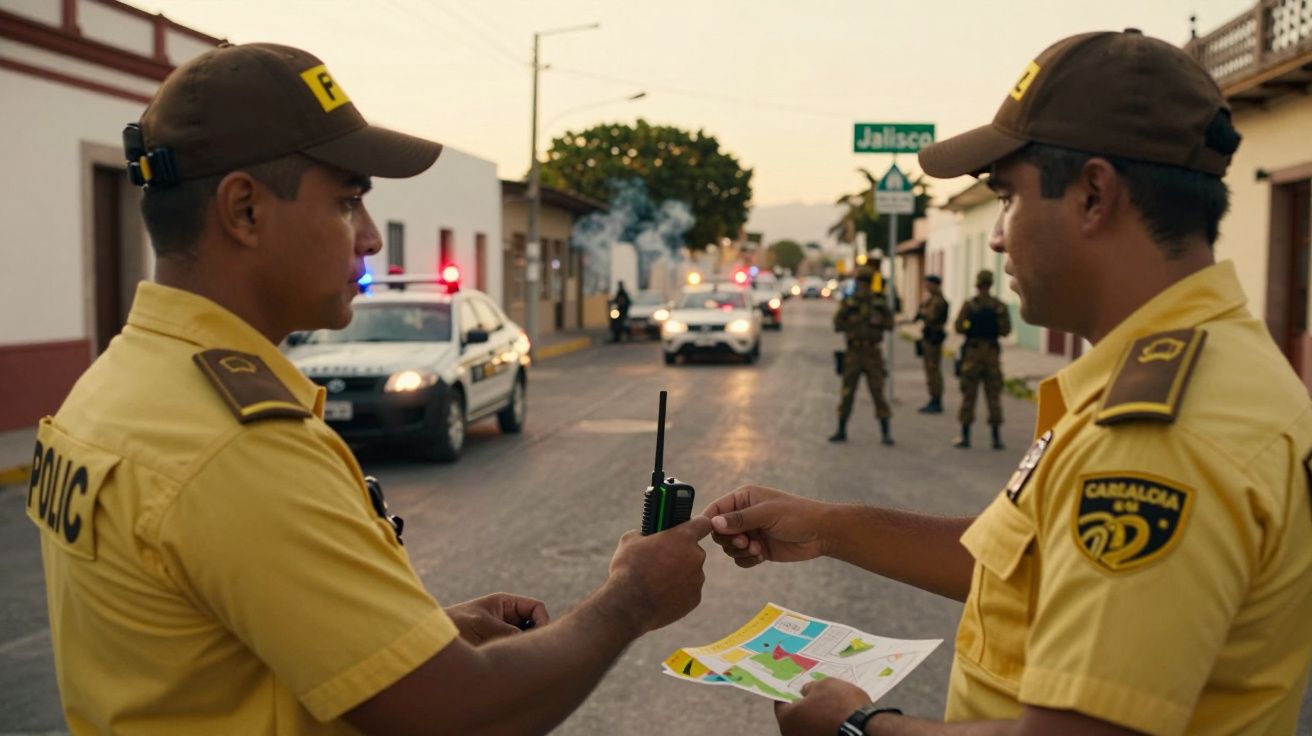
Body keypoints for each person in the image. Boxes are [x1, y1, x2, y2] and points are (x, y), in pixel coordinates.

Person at [25, 42, 712, 735]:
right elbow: (457, 715)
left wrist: (414, 638)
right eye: (348, 201)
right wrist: (633, 598)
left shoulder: (118, 383)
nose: (373, 238)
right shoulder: (234, 447)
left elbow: (207, 643)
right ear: (245, 210)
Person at [702, 28, 1312, 736]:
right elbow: (1028, 564)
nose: (996, 236)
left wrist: (859, 729)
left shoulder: (1159, 437)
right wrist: (830, 527)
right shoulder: (1209, 363)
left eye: (1008, 197)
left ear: (1092, 195)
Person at [829, 265, 894, 446]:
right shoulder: (850, 304)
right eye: (861, 283)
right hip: (854, 352)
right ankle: (841, 429)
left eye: (866, 283)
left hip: (873, 352)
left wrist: (878, 322)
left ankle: (885, 431)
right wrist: (851, 321)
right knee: (847, 392)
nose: (863, 287)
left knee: (878, 392)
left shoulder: (879, 303)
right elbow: (837, 324)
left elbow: (890, 324)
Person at [953, 269, 1011, 449]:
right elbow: (1005, 330)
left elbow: (958, 327)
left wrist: (971, 327)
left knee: (968, 396)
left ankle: (965, 436)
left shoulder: (970, 305)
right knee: (993, 396)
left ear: (977, 284)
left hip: (973, 353)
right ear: (991, 284)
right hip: (991, 355)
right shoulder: (999, 306)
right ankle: (996, 438)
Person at [913, 274, 949, 414]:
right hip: (928, 337)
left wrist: (923, 312)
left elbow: (932, 316)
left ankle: (936, 400)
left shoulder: (939, 301)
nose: (926, 287)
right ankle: (933, 398)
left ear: (935, 285)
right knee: (930, 370)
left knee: (933, 370)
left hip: (934, 338)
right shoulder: (931, 300)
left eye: (929, 284)